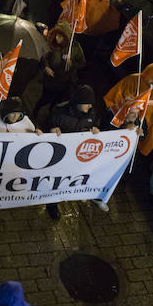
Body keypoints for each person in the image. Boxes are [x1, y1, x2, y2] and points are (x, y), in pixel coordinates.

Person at [46, 84, 99, 220]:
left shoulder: (92, 113)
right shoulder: (59, 111)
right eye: (87, 104)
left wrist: (95, 131)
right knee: (57, 179)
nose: (90, 107)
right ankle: (52, 204)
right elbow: (46, 126)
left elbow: (93, 126)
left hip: (77, 155)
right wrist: (52, 129)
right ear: (78, 102)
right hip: (59, 155)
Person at [104, 63, 153, 156]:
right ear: (146, 74)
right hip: (124, 120)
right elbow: (116, 95)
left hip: (145, 122)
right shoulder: (132, 79)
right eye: (152, 78)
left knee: (137, 141)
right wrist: (125, 104)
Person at [34, 21, 86, 119]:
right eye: (57, 35)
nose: (57, 38)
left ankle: (50, 117)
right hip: (50, 81)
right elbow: (44, 57)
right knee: (44, 99)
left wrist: (72, 63)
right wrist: (46, 67)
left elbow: (82, 63)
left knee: (56, 102)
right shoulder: (51, 44)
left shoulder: (74, 47)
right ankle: (35, 112)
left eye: (61, 36)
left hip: (65, 82)